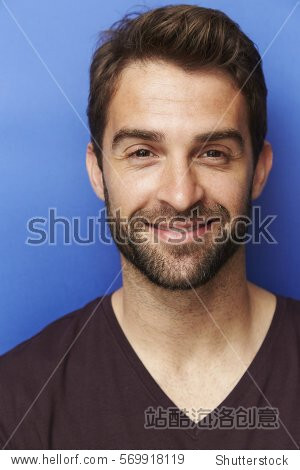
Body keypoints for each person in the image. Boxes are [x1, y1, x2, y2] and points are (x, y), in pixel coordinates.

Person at [1, 4, 299, 450]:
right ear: (98, 171)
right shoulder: (16, 402)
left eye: (213, 152)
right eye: (142, 152)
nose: (181, 196)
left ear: (259, 171)